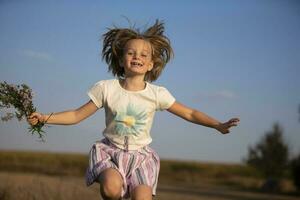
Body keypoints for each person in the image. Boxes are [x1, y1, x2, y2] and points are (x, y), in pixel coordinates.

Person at [28, 20, 240, 200]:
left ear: (150, 64)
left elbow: (190, 113)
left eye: (143, 55)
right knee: (111, 188)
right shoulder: (106, 88)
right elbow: (76, 115)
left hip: (141, 158)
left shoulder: (157, 94)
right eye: (131, 53)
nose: (137, 57)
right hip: (111, 153)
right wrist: (45, 117)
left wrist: (217, 125)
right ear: (122, 60)